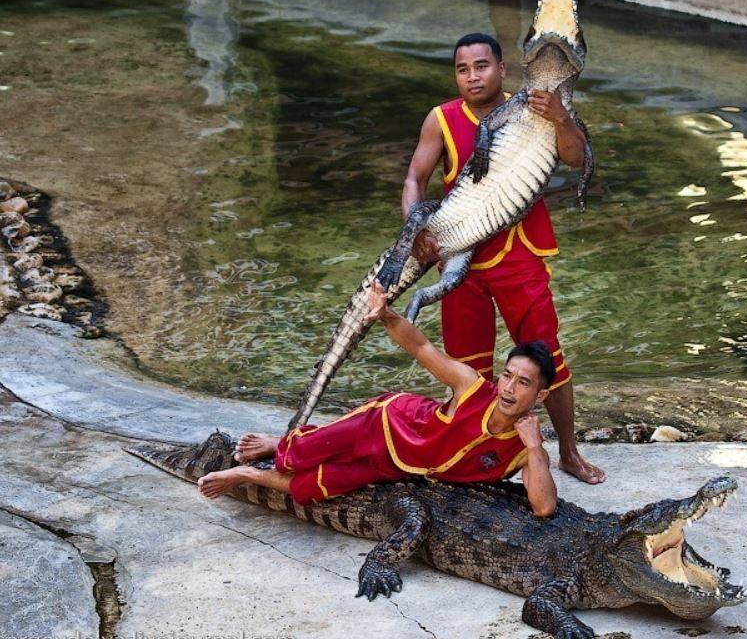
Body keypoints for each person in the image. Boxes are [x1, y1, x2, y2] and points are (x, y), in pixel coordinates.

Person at [401, 32, 605, 484]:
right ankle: (476, 459)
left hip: (520, 255)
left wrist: (560, 118)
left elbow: (575, 157)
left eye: (482, 66)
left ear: (502, 69)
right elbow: (415, 178)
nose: (473, 77)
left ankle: (568, 453)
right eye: (463, 69)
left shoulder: (533, 105)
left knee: (549, 359)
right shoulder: (441, 119)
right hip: (462, 262)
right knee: (466, 369)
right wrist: (415, 229)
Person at [197, 281, 558, 517]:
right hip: (386, 423)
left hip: (398, 467)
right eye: (507, 375)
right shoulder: (472, 387)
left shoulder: (524, 449)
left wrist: (535, 447)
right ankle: (278, 443)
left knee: (315, 486)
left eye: (523, 382)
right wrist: (386, 315)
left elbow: (543, 507)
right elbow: (422, 347)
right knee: (295, 455)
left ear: (540, 395)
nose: (508, 388)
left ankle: (246, 474)